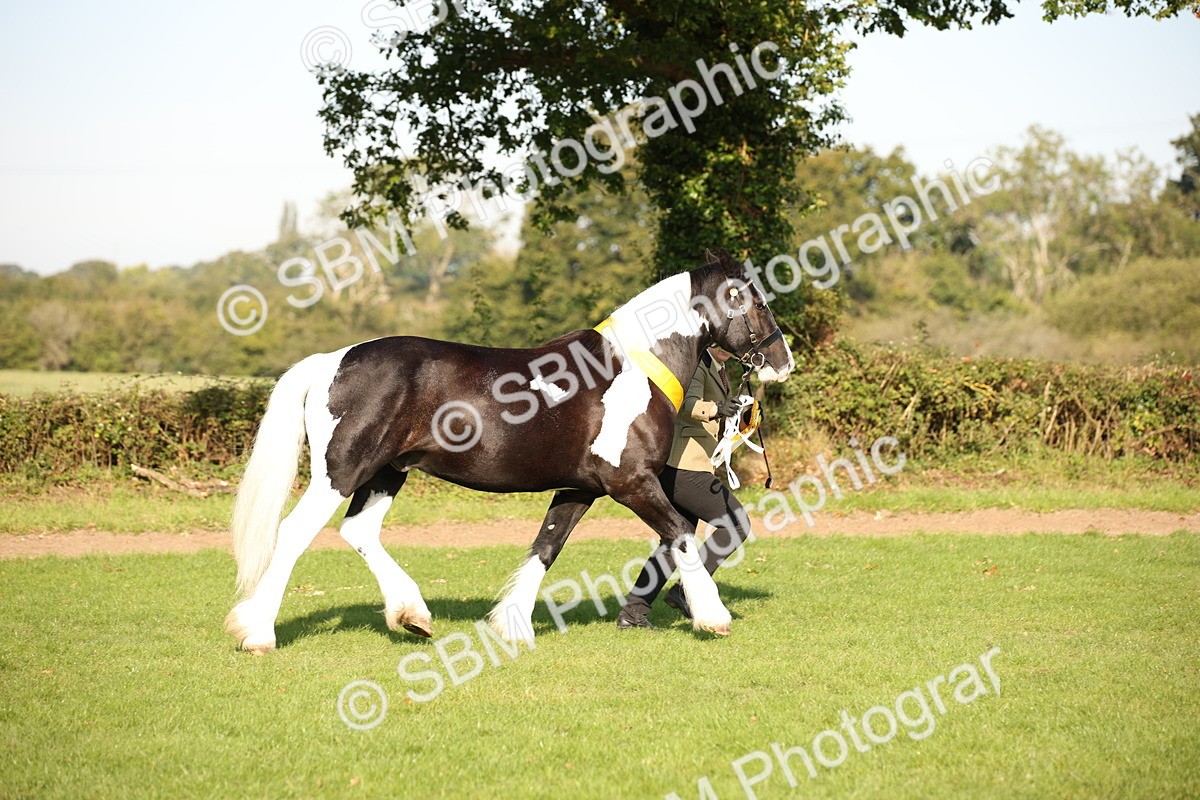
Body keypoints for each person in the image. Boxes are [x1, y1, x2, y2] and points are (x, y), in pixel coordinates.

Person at [616, 346, 755, 629]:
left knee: (675, 540)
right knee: (737, 523)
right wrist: (717, 409)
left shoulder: (718, 367)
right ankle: (685, 592)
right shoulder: (696, 365)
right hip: (684, 466)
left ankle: (633, 613)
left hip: (687, 465)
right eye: (723, 344)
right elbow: (686, 404)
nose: (728, 350)